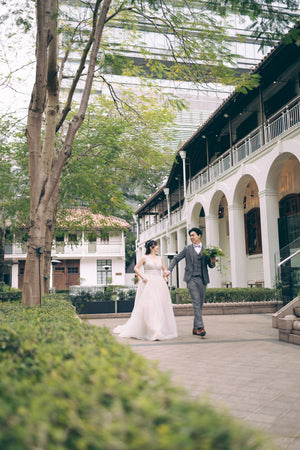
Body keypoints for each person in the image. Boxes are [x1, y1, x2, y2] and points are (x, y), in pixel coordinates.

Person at [113, 239, 178, 341]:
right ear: (151, 247)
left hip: (159, 283)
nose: (158, 247)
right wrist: (143, 277)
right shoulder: (144, 258)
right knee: (150, 307)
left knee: (159, 306)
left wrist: (166, 275)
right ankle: (154, 330)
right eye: (156, 246)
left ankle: (159, 329)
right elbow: (136, 268)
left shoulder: (160, 258)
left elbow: (164, 269)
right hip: (148, 283)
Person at [165, 227, 216, 337]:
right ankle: (201, 327)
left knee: (200, 304)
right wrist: (169, 270)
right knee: (196, 302)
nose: (191, 237)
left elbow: (211, 266)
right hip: (191, 279)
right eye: (190, 236)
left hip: (202, 279)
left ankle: (195, 328)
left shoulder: (207, 250)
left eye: (193, 235)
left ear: (199, 236)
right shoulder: (187, 249)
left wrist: (213, 260)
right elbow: (176, 259)